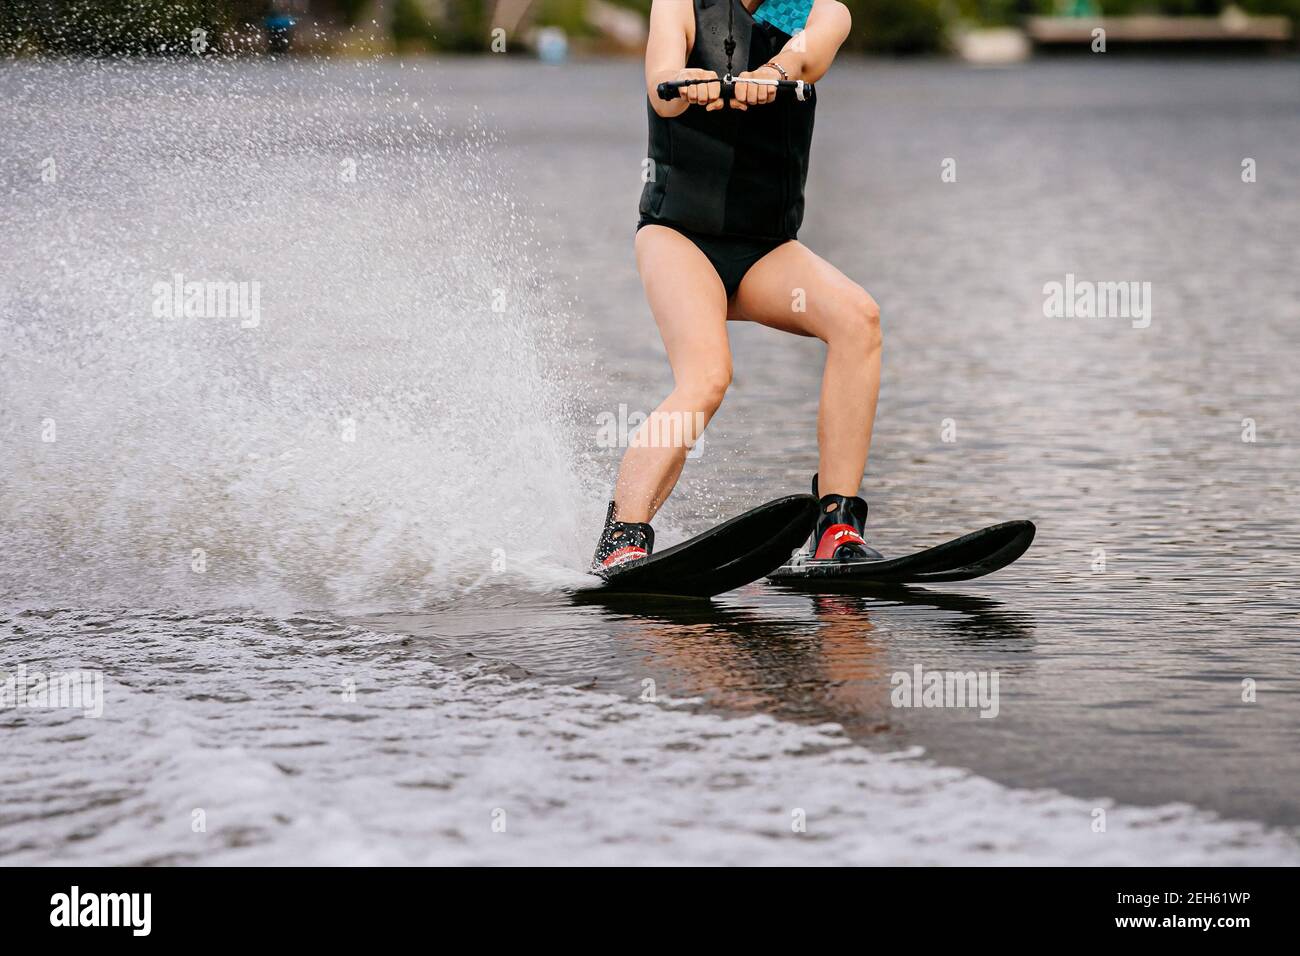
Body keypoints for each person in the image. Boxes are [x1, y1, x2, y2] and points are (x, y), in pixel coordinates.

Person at [593, 0, 883, 571]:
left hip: (765, 251)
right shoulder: (677, 4)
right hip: (680, 237)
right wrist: (686, 82)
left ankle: (835, 528)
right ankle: (622, 537)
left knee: (859, 319)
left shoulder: (823, 11)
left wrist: (770, 76)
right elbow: (659, 84)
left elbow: (809, 55)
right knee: (706, 376)